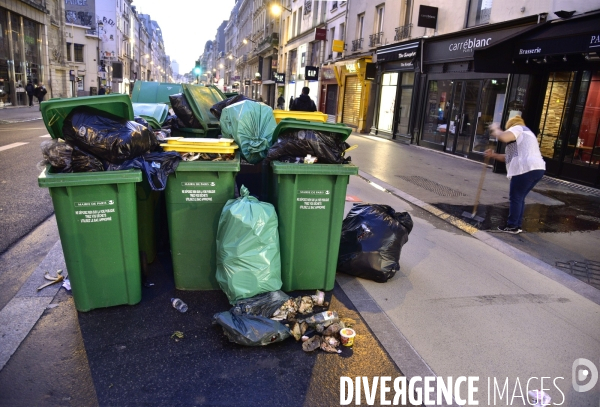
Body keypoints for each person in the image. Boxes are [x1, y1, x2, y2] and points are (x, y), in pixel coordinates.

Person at [484, 115, 546, 234]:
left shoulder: (519, 128)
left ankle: (512, 225)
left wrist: (496, 129)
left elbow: (504, 137)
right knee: (519, 198)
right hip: (537, 169)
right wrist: (493, 155)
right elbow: (508, 157)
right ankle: (516, 225)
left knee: (516, 197)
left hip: (525, 169)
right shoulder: (523, 137)